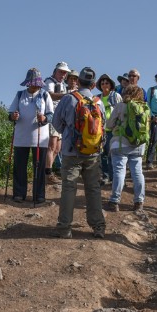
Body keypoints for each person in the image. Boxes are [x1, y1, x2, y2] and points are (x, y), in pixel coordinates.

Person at [52, 67, 106, 239]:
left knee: (69, 189)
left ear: (78, 81)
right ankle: (98, 226)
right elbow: (103, 125)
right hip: (93, 153)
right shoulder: (99, 102)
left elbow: (56, 123)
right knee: (93, 189)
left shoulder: (69, 98)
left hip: (71, 151)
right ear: (94, 84)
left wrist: (69, 134)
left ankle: (65, 228)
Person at [8, 68, 54, 205]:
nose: (35, 85)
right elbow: (10, 113)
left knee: (39, 168)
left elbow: (51, 115)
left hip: (40, 138)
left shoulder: (45, 95)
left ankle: (39, 195)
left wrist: (44, 118)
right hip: (21, 137)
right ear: (28, 83)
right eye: (33, 83)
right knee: (19, 167)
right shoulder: (20, 94)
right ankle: (18, 193)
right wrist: (13, 116)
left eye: (37, 83)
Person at [105, 84, 147, 212]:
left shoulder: (120, 106)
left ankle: (114, 201)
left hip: (120, 143)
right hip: (138, 145)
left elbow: (109, 124)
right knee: (137, 172)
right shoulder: (144, 107)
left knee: (119, 171)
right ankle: (139, 202)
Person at [44, 62, 71, 184]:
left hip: (60, 118)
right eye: (61, 71)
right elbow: (50, 95)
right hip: (52, 116)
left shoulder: (62, 85)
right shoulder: (50, 81)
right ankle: (47, 173)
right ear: (55, 71)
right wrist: (66, 95)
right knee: (52, 146)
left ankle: (48, 172)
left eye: (65, 72)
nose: (63, 74)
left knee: (57, 148)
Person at [97, 74, 122, 183]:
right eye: (102, 83)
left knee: (113, 154)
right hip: (102, 130)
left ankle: (114, 177)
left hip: (114, 129)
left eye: (106, 83)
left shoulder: (115, 96)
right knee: (103, 154)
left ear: (111, 85)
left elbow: (121, 110)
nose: (104, 85)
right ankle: (106, 176)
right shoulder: (98, 98)